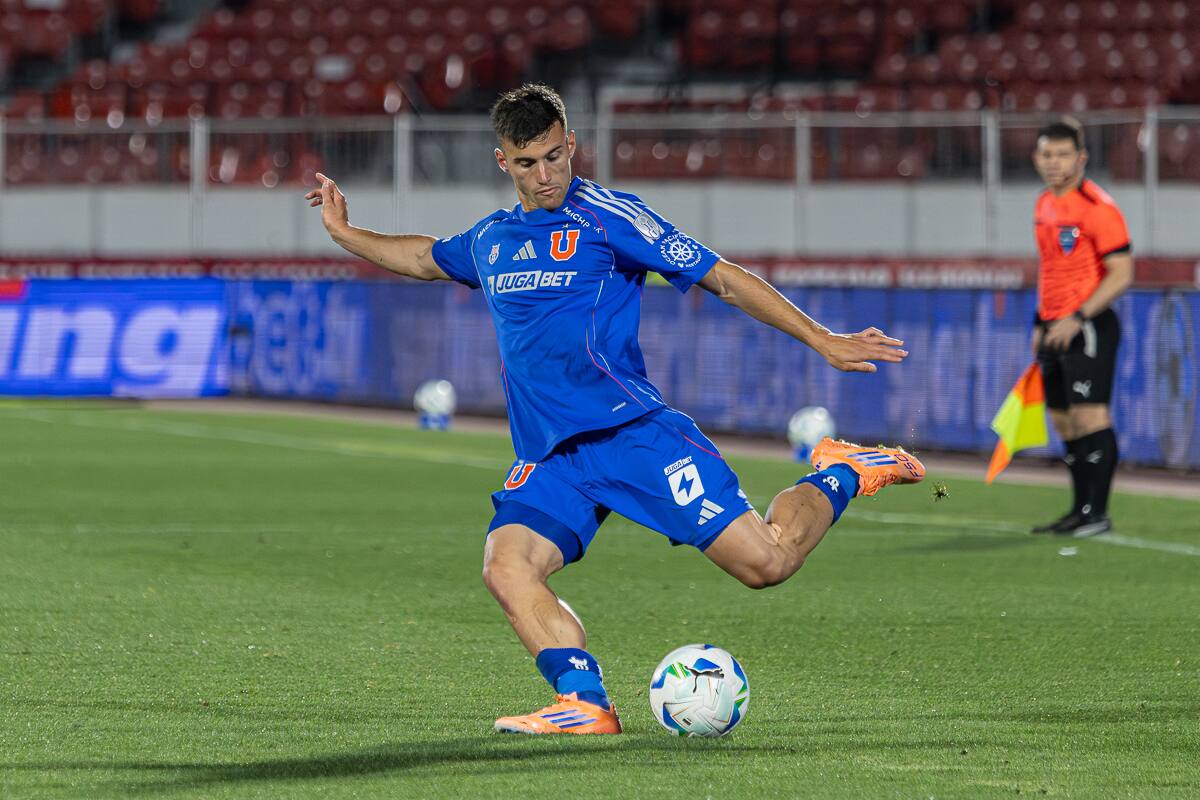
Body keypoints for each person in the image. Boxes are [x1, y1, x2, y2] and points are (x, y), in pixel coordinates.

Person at [306, 84, 925, 735]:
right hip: (553, 456)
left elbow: (720, 274)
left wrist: (821, 338)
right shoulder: (493, 239)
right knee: (507, 565)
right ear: (503, 163)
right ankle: (584, 701)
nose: (545, 175)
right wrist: (345, 232)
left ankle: (845, 468)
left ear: (571, 144)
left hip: (632, 435)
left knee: (766, 564)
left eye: (553, 156)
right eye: (527, 163)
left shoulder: (611, 217)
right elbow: (423, 258)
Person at [1029, 117, 1133, 538]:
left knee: (1091, 416)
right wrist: (1040, 320)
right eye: (1047, 154)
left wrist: (1078, 317)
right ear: (1037, 158)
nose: (1054, 163)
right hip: (1052, 326)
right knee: (1064, 420)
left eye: (1063, 154)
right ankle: (1079, 509)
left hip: (1087, 326)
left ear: (1082, 157)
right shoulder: (1044, 204)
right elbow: (1051, 270)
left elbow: (1122, 273)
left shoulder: (1098, 207)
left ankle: (1098, 514)